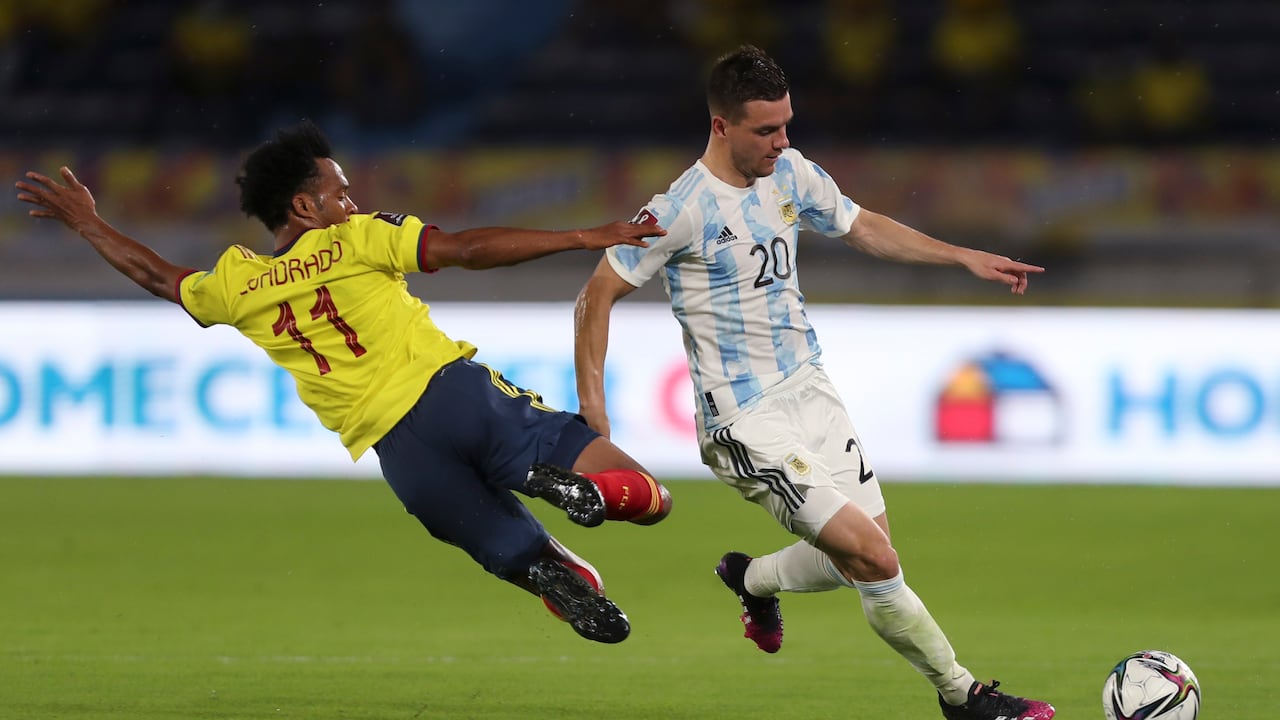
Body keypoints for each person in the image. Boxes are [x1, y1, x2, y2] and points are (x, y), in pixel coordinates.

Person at [15, 120, 673, 645]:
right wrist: (585, 234)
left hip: (403, 457)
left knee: (536, 565)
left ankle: (545, 564)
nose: (351, 201)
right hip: (458, 399)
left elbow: (158, 277)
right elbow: (467, 250)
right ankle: (563, 484)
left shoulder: (238, 283)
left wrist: (87, 223)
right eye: (340, 191)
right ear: (305, 205)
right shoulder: (357, 239)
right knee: (651, 498)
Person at [572, 45, 1055, 718]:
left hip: (812, 390)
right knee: (874, 560)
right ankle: (963, 695)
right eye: (766, 130)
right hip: (746, 419)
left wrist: (961, 256)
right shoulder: (680, 209)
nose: (782, 140)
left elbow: (864, 227)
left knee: (863, 552)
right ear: (721, 126)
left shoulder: (791, 174)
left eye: (786, 124)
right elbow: (596, 295)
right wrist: (595, 418)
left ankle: (751, 578)